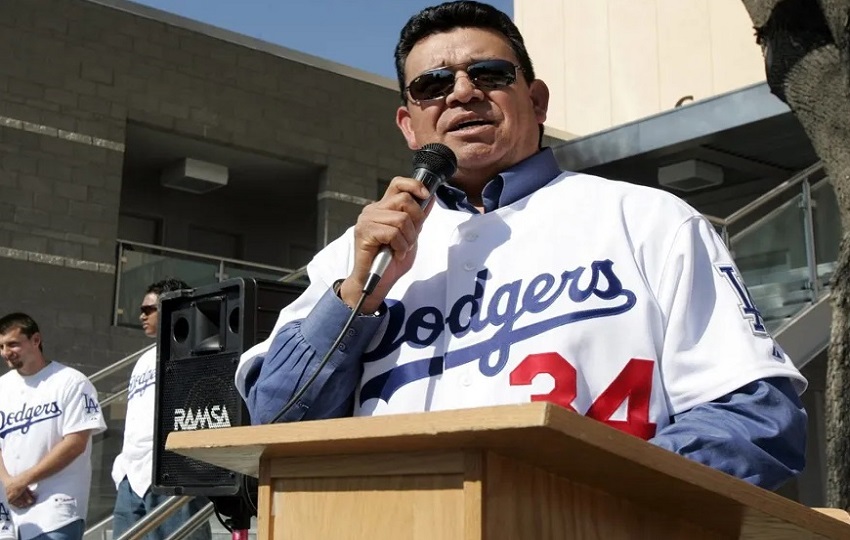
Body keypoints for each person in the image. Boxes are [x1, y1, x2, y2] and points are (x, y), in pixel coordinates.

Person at [235, 0, 808, 490]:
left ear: (535, 101)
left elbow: (753, 417)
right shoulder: (356, 254)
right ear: (410, 125)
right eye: (433, 85)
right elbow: (275, 423)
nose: (462, 93)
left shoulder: (648, 219)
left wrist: (589, 497)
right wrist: (356, 295)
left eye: (488, 74)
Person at [111, 278, 212, 540]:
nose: (141, 315)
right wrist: (122, 468)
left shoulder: (198, 352)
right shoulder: (144, 359)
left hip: (173, 472)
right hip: (131, 478)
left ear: (170, 307)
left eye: (148, 309)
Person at [0, 313, 106, 540]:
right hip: (8, 512)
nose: (5, 352)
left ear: (36, 340)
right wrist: (8, 484)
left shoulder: (72, 381)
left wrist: (21, 481)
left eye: (13, 344)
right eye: (1, 346)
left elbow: (75, 443)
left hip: (56, 509)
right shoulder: (2, 386)